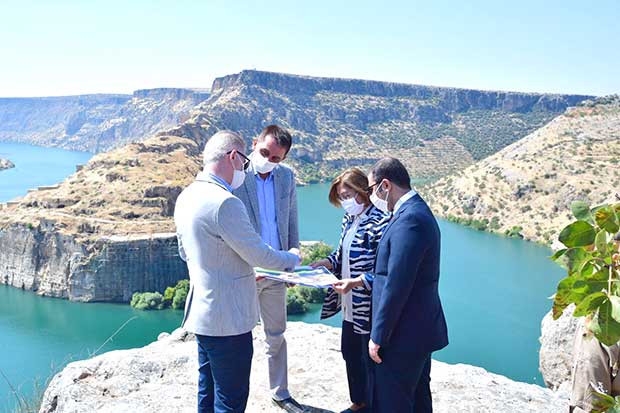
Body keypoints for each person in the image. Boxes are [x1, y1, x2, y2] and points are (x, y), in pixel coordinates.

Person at [174, 130, 300, 413]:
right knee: (230, 400)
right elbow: (257, 254)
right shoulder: (225, 202)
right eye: (244, 160)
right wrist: (291, 259)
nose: (246, 166)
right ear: (234, 156)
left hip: (203, 315)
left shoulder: (186, 196)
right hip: (229, 319)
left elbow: (185, 252)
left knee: (207, 391)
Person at [333, 157, 448, 412]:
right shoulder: (412, 212)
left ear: (385, 185)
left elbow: (397, 283)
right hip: (415, 330)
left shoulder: (410, 220)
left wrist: (378, 336)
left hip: (404, 334)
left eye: (372, 188)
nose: (371, 194)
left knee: (393, 401)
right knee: (417, 398)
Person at [232, 125, 303, 413]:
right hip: (244, 271)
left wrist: (291, 262)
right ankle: (234, 398)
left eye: (276, 158)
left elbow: (291, 221)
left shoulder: (286, 177)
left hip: (275, 270)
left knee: (276, 335)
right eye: (264, 153)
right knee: (237, 339)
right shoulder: (236, 175)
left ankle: (280, 392)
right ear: (254, 143)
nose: (268, 160)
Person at [310, 167, 390, 413]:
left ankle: (374, 406)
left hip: (367, 306)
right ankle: (359, 402)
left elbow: (385, 272)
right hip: (349, 304)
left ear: (362, 191)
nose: (344, 201)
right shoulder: (350, 218)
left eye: (347, 195)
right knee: (350, 353)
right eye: (341, 197)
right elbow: (342, 254)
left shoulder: (380, 222)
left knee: (369, 360)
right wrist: (327, 263)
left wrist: (356, 282)